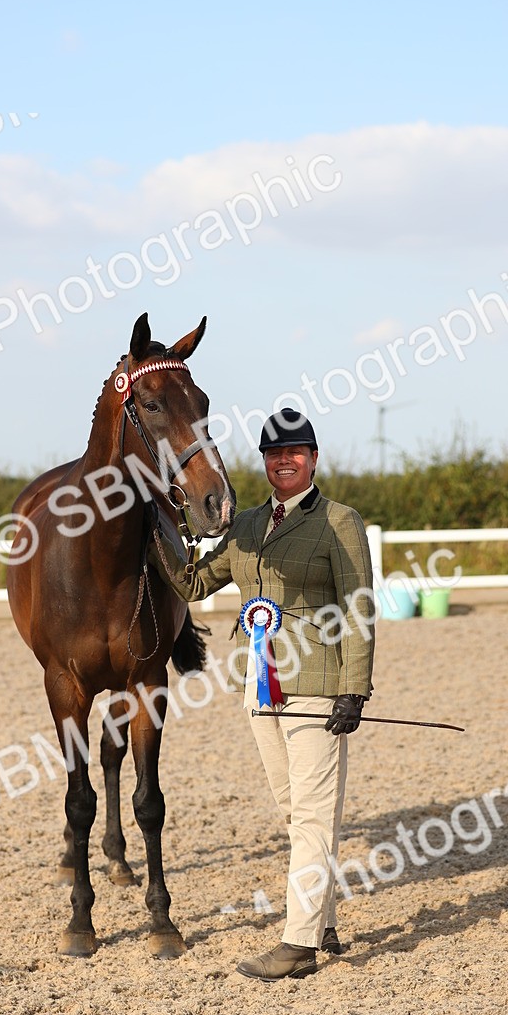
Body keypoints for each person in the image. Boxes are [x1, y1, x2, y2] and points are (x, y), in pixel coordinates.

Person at [149, 408, 375, 982]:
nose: (285, 460)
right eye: (275, 453)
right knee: (296, 811)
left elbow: (358, 609)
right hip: (260, 689)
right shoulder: (247, 526)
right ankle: (322, 922)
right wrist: (156, 534)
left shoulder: (340, 522)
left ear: (314, 459)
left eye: (295, 452)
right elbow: (194, 584)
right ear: (265, 462)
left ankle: (298, 944)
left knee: (313, 816)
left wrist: (354, 689)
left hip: (318, 689)